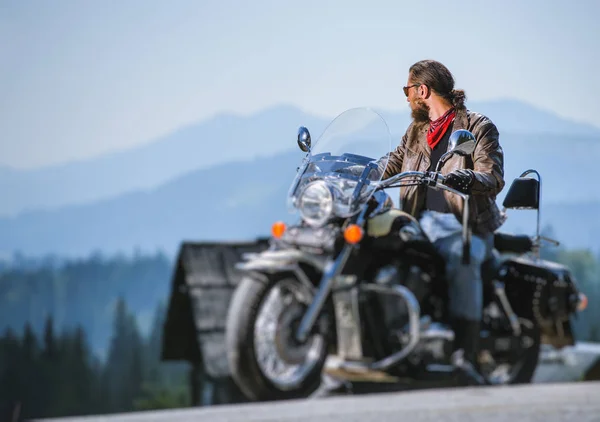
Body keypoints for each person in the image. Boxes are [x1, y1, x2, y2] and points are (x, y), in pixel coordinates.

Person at [382, 59, 507, 385]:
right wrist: (357, 174)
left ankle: (465, 354)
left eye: (407, 90)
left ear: (422, 90)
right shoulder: (416, 132)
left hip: (463, 223)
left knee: (459, 254)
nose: (406, 97)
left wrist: (469, 177)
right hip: (416, 221)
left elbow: (492, 175)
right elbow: (391, 163)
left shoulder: (476, 126)